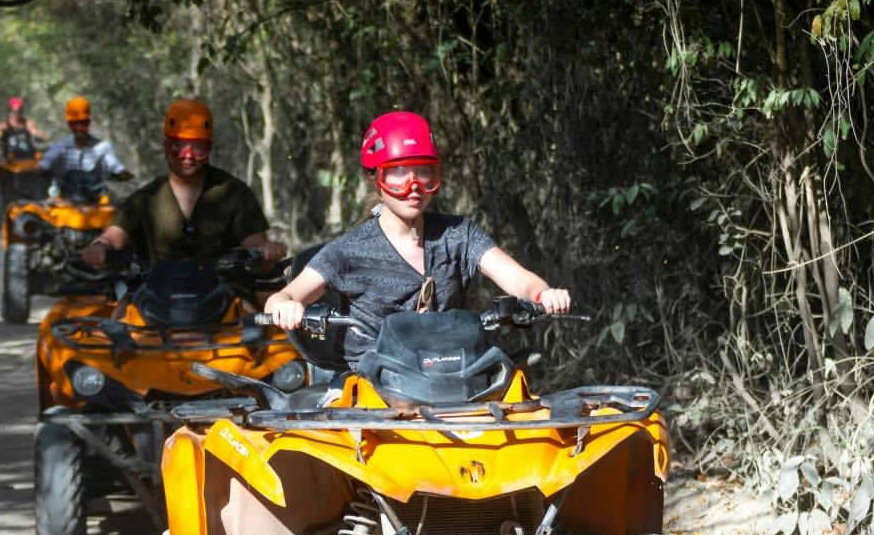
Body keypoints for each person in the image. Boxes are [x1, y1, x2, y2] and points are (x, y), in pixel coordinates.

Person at [262, 111, 568, 360]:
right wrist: (285, 306)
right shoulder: (348, 250)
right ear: (375, 179)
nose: (413, 186)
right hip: (369, 385)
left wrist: (542, 295)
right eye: (397, 173)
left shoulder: (459, 234)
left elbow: (519, 279)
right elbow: (285, 296)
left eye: (424, 172)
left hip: (453, 371)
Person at [82, 98, 285, 266]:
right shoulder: (144, 199)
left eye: (197, 147)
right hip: (157, 298)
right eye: (178, 146)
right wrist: (99, 247)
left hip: (224, 298)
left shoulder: (234, 193)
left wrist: (267, 251)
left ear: (209, 149)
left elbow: (258, 252)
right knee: (120, 313)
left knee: (249, 312)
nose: (187, 156)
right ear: (166, 147)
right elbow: (113, 236)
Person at [38, 95, 131, 200]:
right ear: (69, 124)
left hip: (95, 204)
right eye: (75, 124)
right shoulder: (61, 147)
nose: (79, 128)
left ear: (89, 122)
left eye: (83, 123)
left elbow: (117, 167)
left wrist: (124, 175)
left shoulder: (102, 147)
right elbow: (43, 165)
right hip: (65, 204)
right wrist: (40, 170)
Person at [0, 96, 45, 160]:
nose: (16, 113)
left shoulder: (28, 123)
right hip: (12, 160)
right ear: (10, 111)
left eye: (19, 111)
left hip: (29, 156)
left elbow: (34, 131)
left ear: (22, 111)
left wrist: (38, 134)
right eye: (14, 111)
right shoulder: (4, 125)